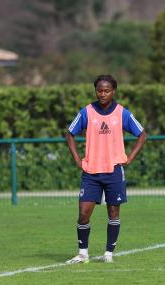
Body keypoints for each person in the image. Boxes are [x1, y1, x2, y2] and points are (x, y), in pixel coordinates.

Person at [65, 75, 147, 264]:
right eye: (99, 90)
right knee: (84, 213)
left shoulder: (122, 113)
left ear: (113, 91)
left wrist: (130, 157)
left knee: (113, 213)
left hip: (114, 172)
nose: (102, 94)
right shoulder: (86, 112)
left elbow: (142, 135)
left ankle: (108, 253)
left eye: (106, 90)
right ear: (95, 91)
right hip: (91, 172)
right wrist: (78, 159)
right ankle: (82, 253)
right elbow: (69, 134)